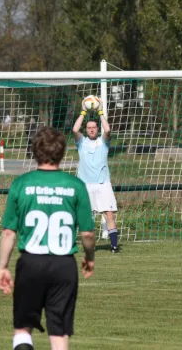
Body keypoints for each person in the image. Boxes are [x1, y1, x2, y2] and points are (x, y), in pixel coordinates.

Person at [0, 126, 96, 350]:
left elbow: (8, 232)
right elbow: (88, 233)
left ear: (34, 151)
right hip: (64, 265)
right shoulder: (75, 186)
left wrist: (2, 267)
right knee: (59, 333)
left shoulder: (21, 184)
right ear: (62, 152)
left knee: (22, 328)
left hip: (31, 261)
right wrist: (90, 257)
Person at [72, 98, 119, 252]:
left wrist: (100, 112)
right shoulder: (82, 142)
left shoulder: (103, 142)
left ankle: (113, 246)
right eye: (89, 127)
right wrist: (83, 112)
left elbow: (108, 130)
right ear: (86, 130)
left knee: (109, 214)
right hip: (85, 185)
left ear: (97, 129)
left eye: (94, 127)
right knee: (86, 218)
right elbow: (74, 129)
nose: (92, 129)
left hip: (103, 183)